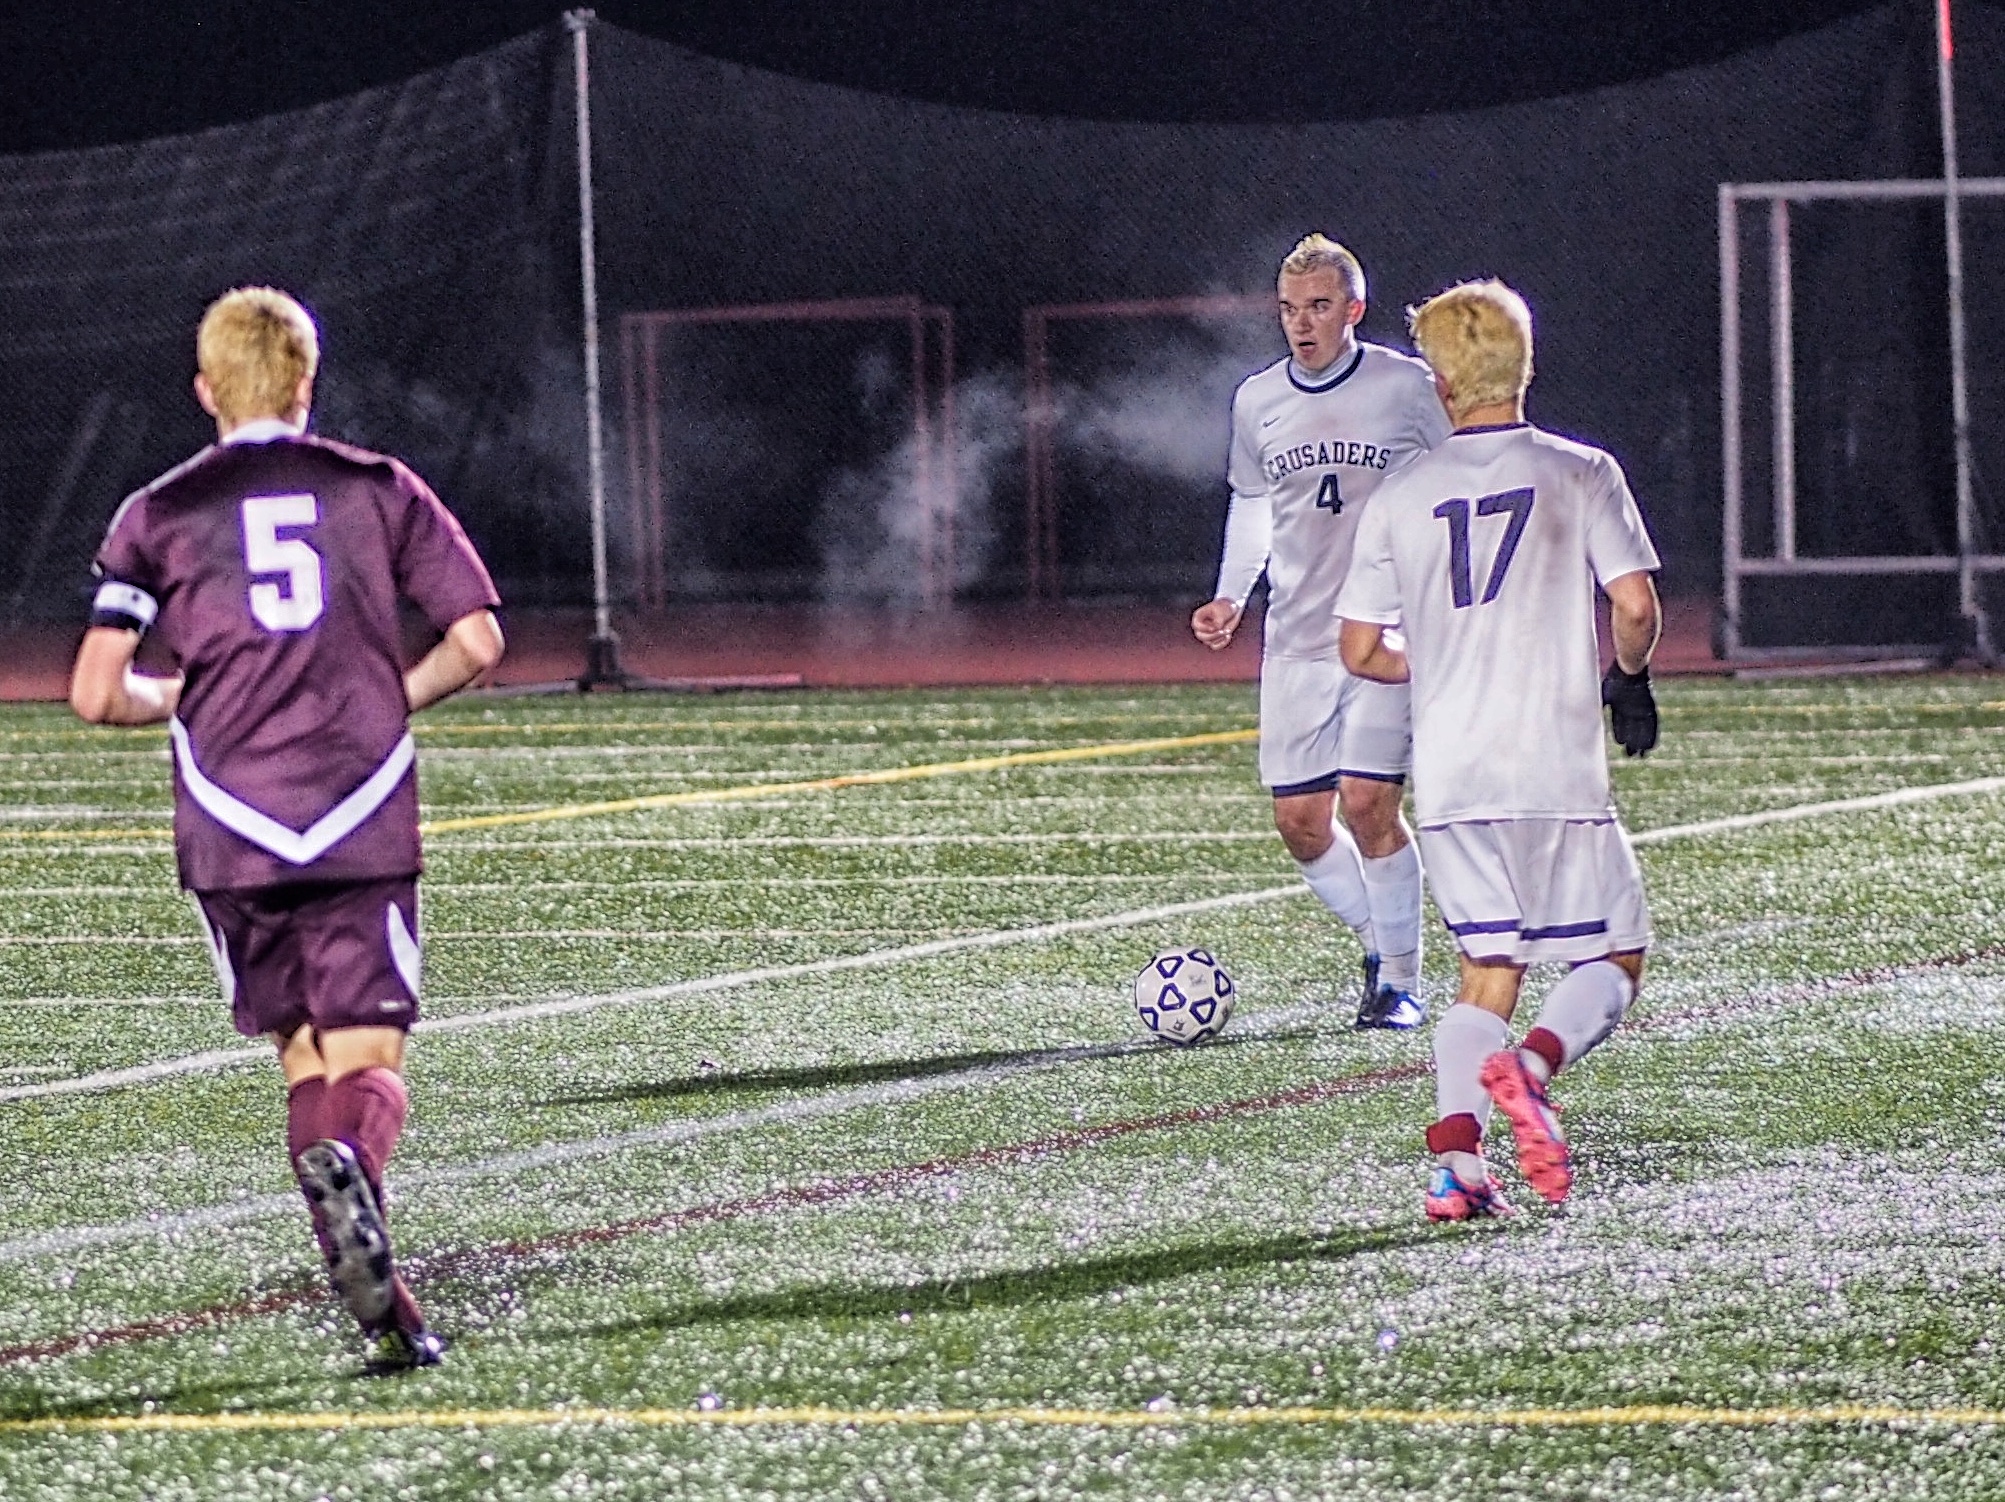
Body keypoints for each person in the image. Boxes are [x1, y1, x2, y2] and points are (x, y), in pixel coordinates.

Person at [69, 286, 504, 1367]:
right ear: (307, 381)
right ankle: (360, 1176)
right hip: (356, 807)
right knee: (368, 1057)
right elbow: (477, 639)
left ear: (205, 389)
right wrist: (386, 699)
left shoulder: (156, 511)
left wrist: (182, 697)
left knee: (306, 1056)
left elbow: (96, 692)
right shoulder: (376, 484)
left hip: (229, 819)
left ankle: (391, 1317)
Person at [1335, 278, 1661, 1221]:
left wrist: (1434, 659)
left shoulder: (1400, 495)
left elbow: (1359, 649)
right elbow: (1633, 605)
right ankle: (1533, 1067)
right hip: (1550, 765)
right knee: (1616, 955)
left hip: (1451, 775)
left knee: (1487, 970)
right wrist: (1628, 677)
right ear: (1524, 366)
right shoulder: (1580, 471)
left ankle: (1457, 1170)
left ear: (1440, 385)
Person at [1192, 234, 1451, 1029]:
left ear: (1353, 310)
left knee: (1368, 803)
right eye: (1288, 309)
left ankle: (1401, 983)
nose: (1301, 323)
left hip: (1385, 634)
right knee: (1300, 825)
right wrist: (1230, 595)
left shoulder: (1406, 387)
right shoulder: (1256, 400)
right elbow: (1252, 502)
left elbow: (1464, 475)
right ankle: (1380, 945)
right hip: (1297, 639)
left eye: (1317, 307)